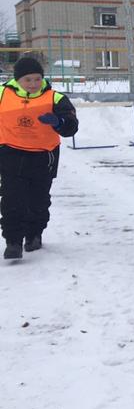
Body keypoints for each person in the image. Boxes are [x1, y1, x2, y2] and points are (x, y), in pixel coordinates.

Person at [1, 55, 79, 260]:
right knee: (12, 198)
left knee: (38, 200)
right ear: (17, 80)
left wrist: (59, 121)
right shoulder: (2, 94)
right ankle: (13, 242)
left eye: (37, 79)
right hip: (11, 153)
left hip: (43, 156)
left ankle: (34, 234)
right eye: (28, 80)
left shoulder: (55, 98)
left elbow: (71, 126)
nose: (33, 84)